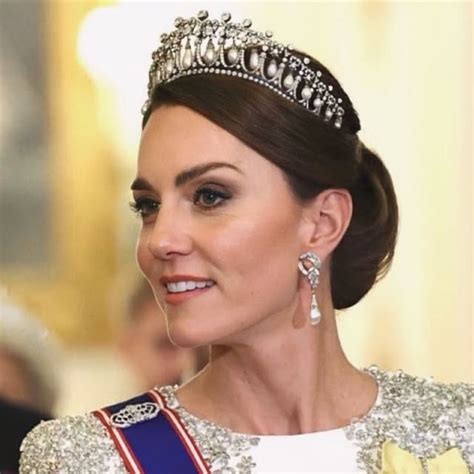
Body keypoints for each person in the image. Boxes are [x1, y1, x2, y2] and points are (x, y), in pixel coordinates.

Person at [19, 10, 473, 473]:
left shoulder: (459, 433)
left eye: (210, 196)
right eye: (148, 206)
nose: (160, 240)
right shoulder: (90, 458)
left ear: (322, 223)